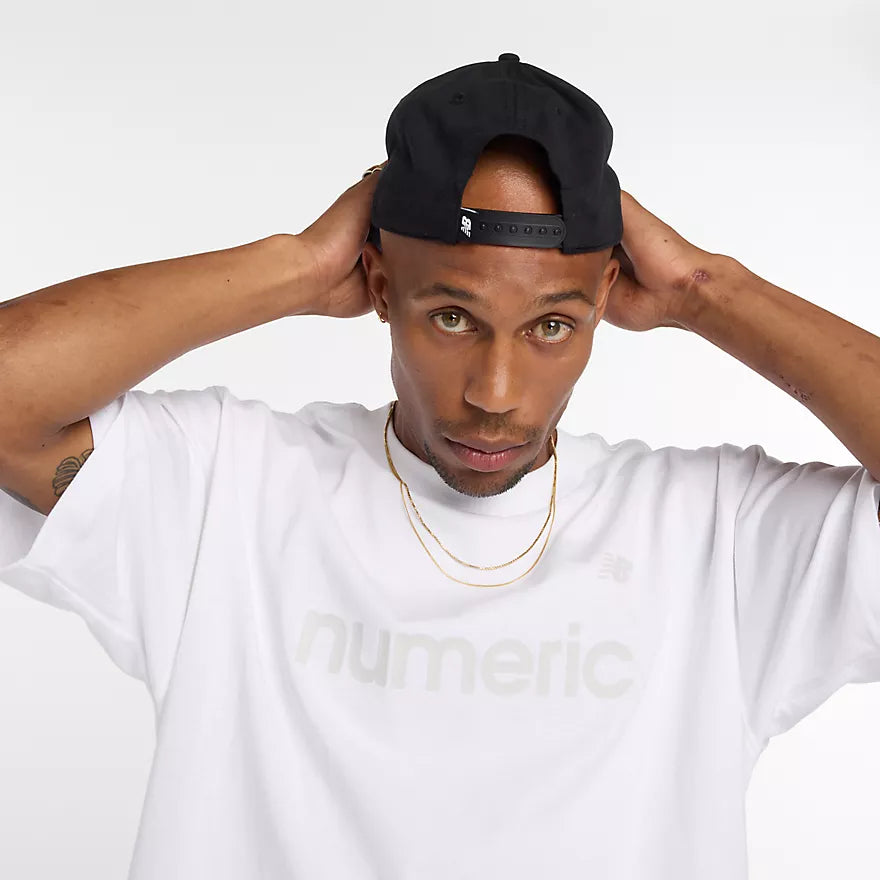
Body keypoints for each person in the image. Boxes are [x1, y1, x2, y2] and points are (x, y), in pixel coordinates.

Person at [1, 55, 879, 880]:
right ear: (381, 288)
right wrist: (296, 267)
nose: (496, 395)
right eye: (453, 318)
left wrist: (705, 289)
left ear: (606, 300)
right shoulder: (224, 492)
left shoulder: (719, 539)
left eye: (551, 326)